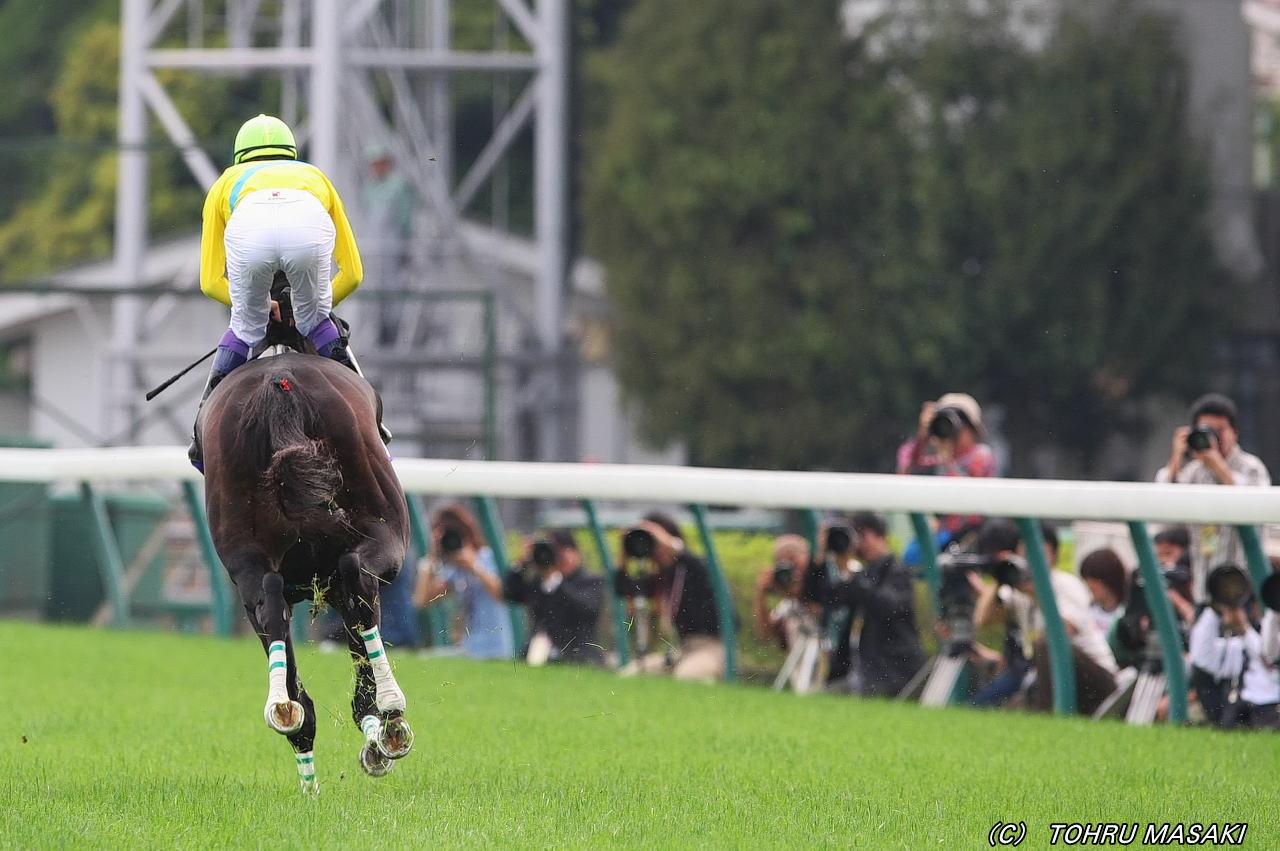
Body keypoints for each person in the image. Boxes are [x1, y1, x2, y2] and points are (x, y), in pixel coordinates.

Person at [189, 113, 385, 471]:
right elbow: (353, 274)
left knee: (244, 328)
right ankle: (373, 430)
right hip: (306, 223)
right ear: (292, 153)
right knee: (316, 322)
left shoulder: (225, 183)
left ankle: (201, 432)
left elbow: (210, 281)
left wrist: (260, 309)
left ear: (239, 156)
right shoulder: (315, 177)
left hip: (248, 230)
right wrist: (307, 311)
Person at [971, 520, 1118, 714]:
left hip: (1099, 680)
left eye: (1038, 553)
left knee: (1045, 646)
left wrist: (1036, 594)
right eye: (1025, 553)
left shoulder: (1066, 584)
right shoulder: (1019, 589)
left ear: (1054, 556)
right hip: (1055, 677)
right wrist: (1000, 576)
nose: (1031, 560)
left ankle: (1047, 715)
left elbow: (1062, 633)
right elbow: (983, 621)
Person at [1155, 394, 1271, 603]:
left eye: (1220, 431)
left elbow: (1253, 505)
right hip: (1205, 589)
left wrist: (1217, 465)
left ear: (1235, 433)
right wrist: (1176, 458)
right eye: (1206, 431)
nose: (1214, 438)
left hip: (1245, 589)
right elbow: (1162, 507)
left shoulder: (1251, 467)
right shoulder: (1195, 472)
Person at [806, 512, 926, 697]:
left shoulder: (897, 571)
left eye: (862, 536)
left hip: (893, 673)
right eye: (854, 536)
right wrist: (821, 558)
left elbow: (887, 606)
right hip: (866, 674)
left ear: (881, 537)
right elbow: (822, 596)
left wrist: (850, 573)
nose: (858, 544)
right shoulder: (865, 574)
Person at [614, 511, 726, 683]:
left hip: (713, 649)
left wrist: (667, 541)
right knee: (631, 674)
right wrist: (626, 551)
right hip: (682, 650)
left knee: (688, 676)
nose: (656, 551)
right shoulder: (664, 577)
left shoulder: (697, 567)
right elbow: (623, 589)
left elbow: (694, 563)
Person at [896, 393, 997, 559]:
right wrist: (923, 435)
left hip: (970, 535)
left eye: (961, 422)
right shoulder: (938, 457)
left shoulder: (981, 455)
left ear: (972, 428)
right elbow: (906, 469)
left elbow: (967, 494)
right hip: (941, 534)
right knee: (911, 556)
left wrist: (948, 460)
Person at [412, 502, 514, 660]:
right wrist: (431, 559)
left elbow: (501, 594)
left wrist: (474, 567)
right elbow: (422, 601)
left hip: (495, 647)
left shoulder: (486, 557)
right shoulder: (455, 570)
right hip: (471, 648)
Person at [1188, 565, 1280, 729]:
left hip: (1272, 712)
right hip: (1242, 711)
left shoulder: (1258, 636)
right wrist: (1216, 609)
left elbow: (1270, 657)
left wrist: (1246, 629)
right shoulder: (1241, 646)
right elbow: (1202, 657)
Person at [502, 529, 605, 666]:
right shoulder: (539, 581)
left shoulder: (591, 581)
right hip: (539, 654)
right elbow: (510, 594)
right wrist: (522, 563)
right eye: (555, 553)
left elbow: (585, 609)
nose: (559, 559)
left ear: (576, 553)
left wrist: (555, 580)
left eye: (563, 552)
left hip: (578, 655)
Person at [753, 534, 827, 692]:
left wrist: (800, 594)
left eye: (793, 558)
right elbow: (765, 633)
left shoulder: (828, 581)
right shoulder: (789, 605)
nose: (791, 567)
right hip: (802, 681)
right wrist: (761, 593)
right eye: (782, 562)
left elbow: (824, 614)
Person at [360, 142, 415, 344]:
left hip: (392, 250)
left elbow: (405, 220)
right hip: (374, 253)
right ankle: (376, 335)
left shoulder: (398, 186)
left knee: (393, 293)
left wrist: (406, 248)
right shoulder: (369, 188)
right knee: (373, 294)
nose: (376, 167)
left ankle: (393, 334)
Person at [1079, 548, 1128, 635]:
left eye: (1094, 581)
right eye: (1086, 580)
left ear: (1109, 579)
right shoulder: (1090, 610)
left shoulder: (1126, 613)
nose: (1089, 585)